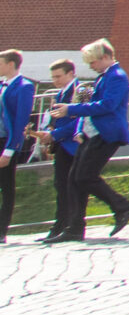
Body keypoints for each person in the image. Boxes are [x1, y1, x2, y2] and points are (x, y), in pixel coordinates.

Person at [48, 40, 129, 242]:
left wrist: (70, 109)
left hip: (107, 134)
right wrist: (80, 128)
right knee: (73, 180)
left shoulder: (117, 76)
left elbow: (106, 105)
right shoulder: (103, 77)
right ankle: (74, 228)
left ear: (106, 57)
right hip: (93, 134)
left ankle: (122, 207)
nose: (91, 66)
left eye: (93, 62)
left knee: (84, 177)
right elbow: (91, 106)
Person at [42, 58, 83, 243]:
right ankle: (61, 225)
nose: (55, 80)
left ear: (71, 73)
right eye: (53, 77)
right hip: (62, 144)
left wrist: (56, 133)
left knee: (73, 186)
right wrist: (50, 132)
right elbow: (57, 119)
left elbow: (79, 119)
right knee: (60, 185)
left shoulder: (80, 91)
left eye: (59, 76)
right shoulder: (60, 93)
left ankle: (70, 225)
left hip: (74, 144)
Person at [0, 50, 31, 243]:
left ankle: (2, 229)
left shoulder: (24, 86)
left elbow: (20, 120)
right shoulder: (2, 85)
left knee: (6, 186)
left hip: (6, 141)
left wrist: (10, 150)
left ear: (10, 64)